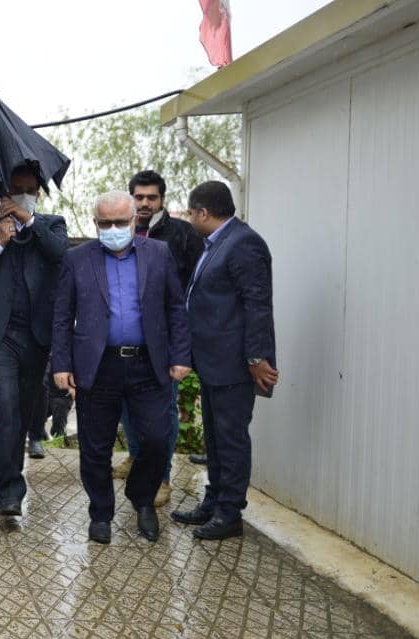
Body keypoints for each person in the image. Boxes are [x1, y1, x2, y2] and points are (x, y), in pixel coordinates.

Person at [51, 191, 191, 544]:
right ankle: (101, 513)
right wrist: (62, 363)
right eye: (105, 223)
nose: (113, 229)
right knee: (95, 446)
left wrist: (180, 356)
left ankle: (142, 498)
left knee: (157, 439)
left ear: (133, 221)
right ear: (95, 223)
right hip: (98, 366)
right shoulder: (77, 259)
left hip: (149, 364)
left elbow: (176, 307)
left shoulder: (158, 254)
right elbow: (63, 314)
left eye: (119, 222)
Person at [172, 181, 277, 540]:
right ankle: (213, 502)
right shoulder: (217, 243)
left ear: (203, 213)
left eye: (191, 213)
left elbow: (257, 304)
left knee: (231, 440)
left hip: (235, 363)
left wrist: (256, 356)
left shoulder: (244, 243)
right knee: (216, 439)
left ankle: (230, 513)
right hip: (214, 361)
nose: (189, 220)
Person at [0, 164, 69, 516]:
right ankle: (11, 489)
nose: (23, 195)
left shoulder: (52, 225)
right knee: (5, 409)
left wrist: (28, 220)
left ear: (39, 194)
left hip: (37, 337)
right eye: (16, 189)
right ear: (4, 194)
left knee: (22, 414)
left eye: (30, 190)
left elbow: (61, 254)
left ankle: (0, 484)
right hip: (2, 337)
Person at [114, 170, 205, 506]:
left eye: (151, 197)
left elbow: (195, 286)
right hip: (125, 337)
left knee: (162, 411)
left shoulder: (181, 234)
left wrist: (183, 343)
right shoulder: (119, 231)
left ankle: (161, 477)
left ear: (161, 200)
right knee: (127, 404)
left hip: (163, 340)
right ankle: (137, 457)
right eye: (139, 197)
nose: (145, 203)